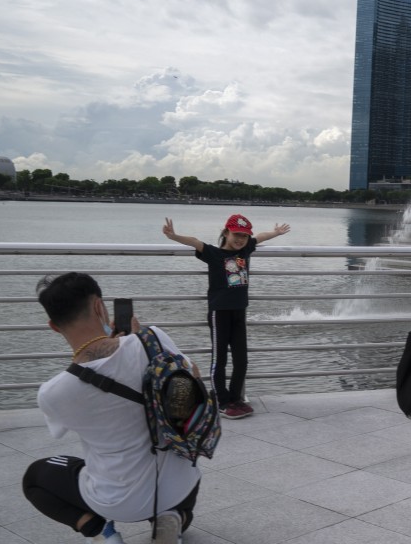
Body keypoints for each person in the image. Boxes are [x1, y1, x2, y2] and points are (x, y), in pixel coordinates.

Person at [23, 272, 201, 544]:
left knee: (35, 476)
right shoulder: (152, 339)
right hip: (178, 484)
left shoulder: (53, 392)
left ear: (54, 326)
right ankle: (172, 520)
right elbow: (194, 381)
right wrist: (141, 339)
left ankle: (101, 532)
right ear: (99, 306)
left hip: (115, 500)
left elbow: (61, 430)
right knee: (177, 494)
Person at [161, 214, 290, 419]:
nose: (241, 239)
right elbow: (195, 242)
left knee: (241, 359)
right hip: (219, 313)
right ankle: (221, 401)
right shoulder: (213, 253)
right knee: (219, 358)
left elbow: (261, 236)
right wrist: (174, 236)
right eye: (236, 234)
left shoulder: (246, 249)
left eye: (244, 236)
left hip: (240, 311)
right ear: (225, 232)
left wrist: (276, 232)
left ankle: (236, 398)